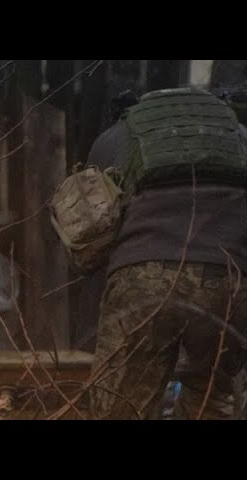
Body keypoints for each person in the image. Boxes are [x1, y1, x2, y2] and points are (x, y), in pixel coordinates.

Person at [86, 86, 247, 420]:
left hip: (142, 278)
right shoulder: (241, 137)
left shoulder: (113, 138)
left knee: (121, 407)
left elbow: (90, 230)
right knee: (215, 401)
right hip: (229, 278)